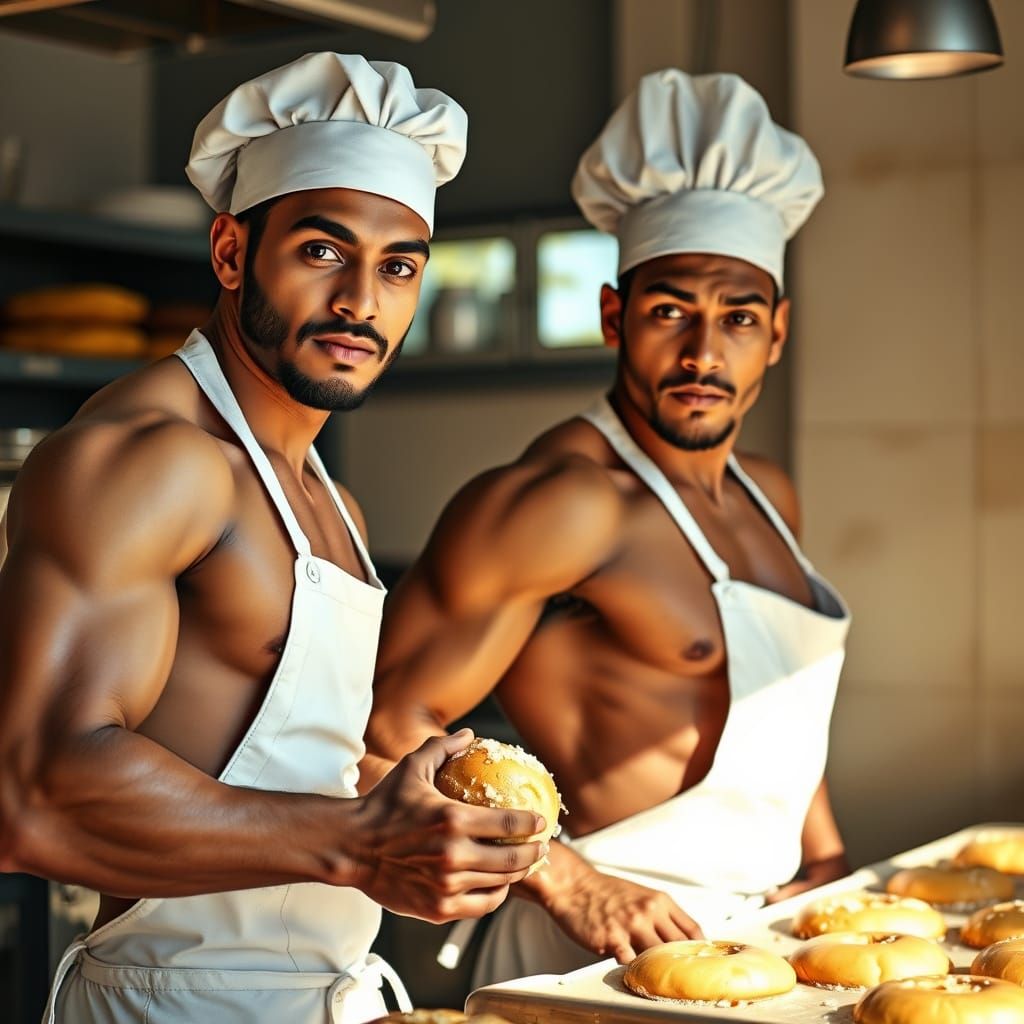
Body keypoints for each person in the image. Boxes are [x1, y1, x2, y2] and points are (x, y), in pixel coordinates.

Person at [0, 53, 547, 1024]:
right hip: (172, 1003)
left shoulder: (329, 500)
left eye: (399, 266)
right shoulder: (151, 458)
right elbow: (30, 790)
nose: (361, 302)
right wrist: (356, 842)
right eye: (323, 251)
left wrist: (443, 825)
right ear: (230, 253)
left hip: (323, 996)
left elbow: (294, 761)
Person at [362, 70, 852, 987]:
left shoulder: (769, 496)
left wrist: (823, 859)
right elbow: (382, 724)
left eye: (738, 319)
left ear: (777, 334)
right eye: (670, 312)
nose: (704, 354)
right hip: (595, 956)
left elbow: (772, 711)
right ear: (613, 316)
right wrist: (572, 882)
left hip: (763, 939)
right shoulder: (565, 501)